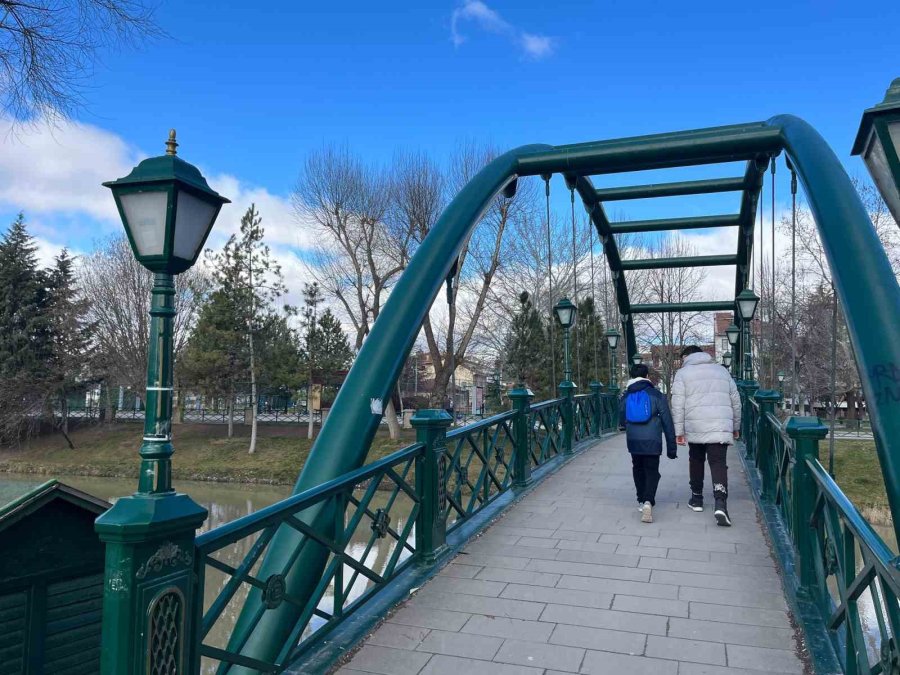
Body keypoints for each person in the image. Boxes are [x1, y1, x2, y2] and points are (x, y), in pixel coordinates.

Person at [671, 345, 742, 526]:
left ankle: (697, 498)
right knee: (718, 463)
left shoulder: (683, 374)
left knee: (696, 459)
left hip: (695, 423)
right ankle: (720, 503)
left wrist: (678, 431)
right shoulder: (722, 371)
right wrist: (735, 426)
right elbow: (736, 400)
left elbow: (677, 404)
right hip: (720, 424)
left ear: (686, 356)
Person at [619, 363, 677, 523]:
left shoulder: (626, 395)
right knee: (652, 470)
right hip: (652, 439)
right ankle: (647, 501)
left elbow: (621, 420)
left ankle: (640, 499)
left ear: (631, 376)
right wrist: (672, 448)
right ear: (647, 376)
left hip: (633, 440)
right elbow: (667, 421)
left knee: (637, 468)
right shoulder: (656, 394)